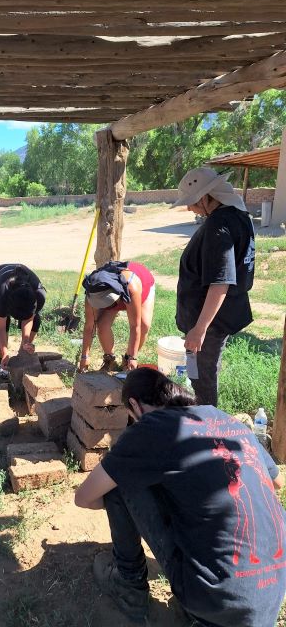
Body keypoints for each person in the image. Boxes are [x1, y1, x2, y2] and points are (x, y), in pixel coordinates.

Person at [75, 367, 286, 627]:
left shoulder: (152, 427)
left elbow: (84, 498)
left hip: (217, 599)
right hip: (270, 593)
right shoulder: (225, 419)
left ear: (134, 405)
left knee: (118, 481)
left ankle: (128, 587)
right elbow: (276, 482)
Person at [173, 167, 255, 406]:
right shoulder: (239, 216)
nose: (190, 208)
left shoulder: (218, 225)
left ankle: (208, 428)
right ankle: (205, 419)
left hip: (210, 321)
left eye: (192, 203)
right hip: (220, 315)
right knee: (204, 372)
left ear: (206, 197)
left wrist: (200, 329)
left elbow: (220, 281)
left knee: (203, 379)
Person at [79, 261, 155, 372]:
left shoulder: (132, 287)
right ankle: (110, 359)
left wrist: (133, 357)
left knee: (144, 325)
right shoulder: (92, 290)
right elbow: (90, 326)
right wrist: (84, 357)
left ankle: (127, 359)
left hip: (142, 284)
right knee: (102, 325)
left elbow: (135, 326)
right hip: (114, 294)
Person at [0, 263, 46, 368]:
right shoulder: (2, 293)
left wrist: (26, 343)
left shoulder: (39, 295)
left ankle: (23, 353)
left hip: (24, 290)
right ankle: (3, 360)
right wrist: (4, 354)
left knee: (36, 320)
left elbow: (29, 319)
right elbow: (0, 328)